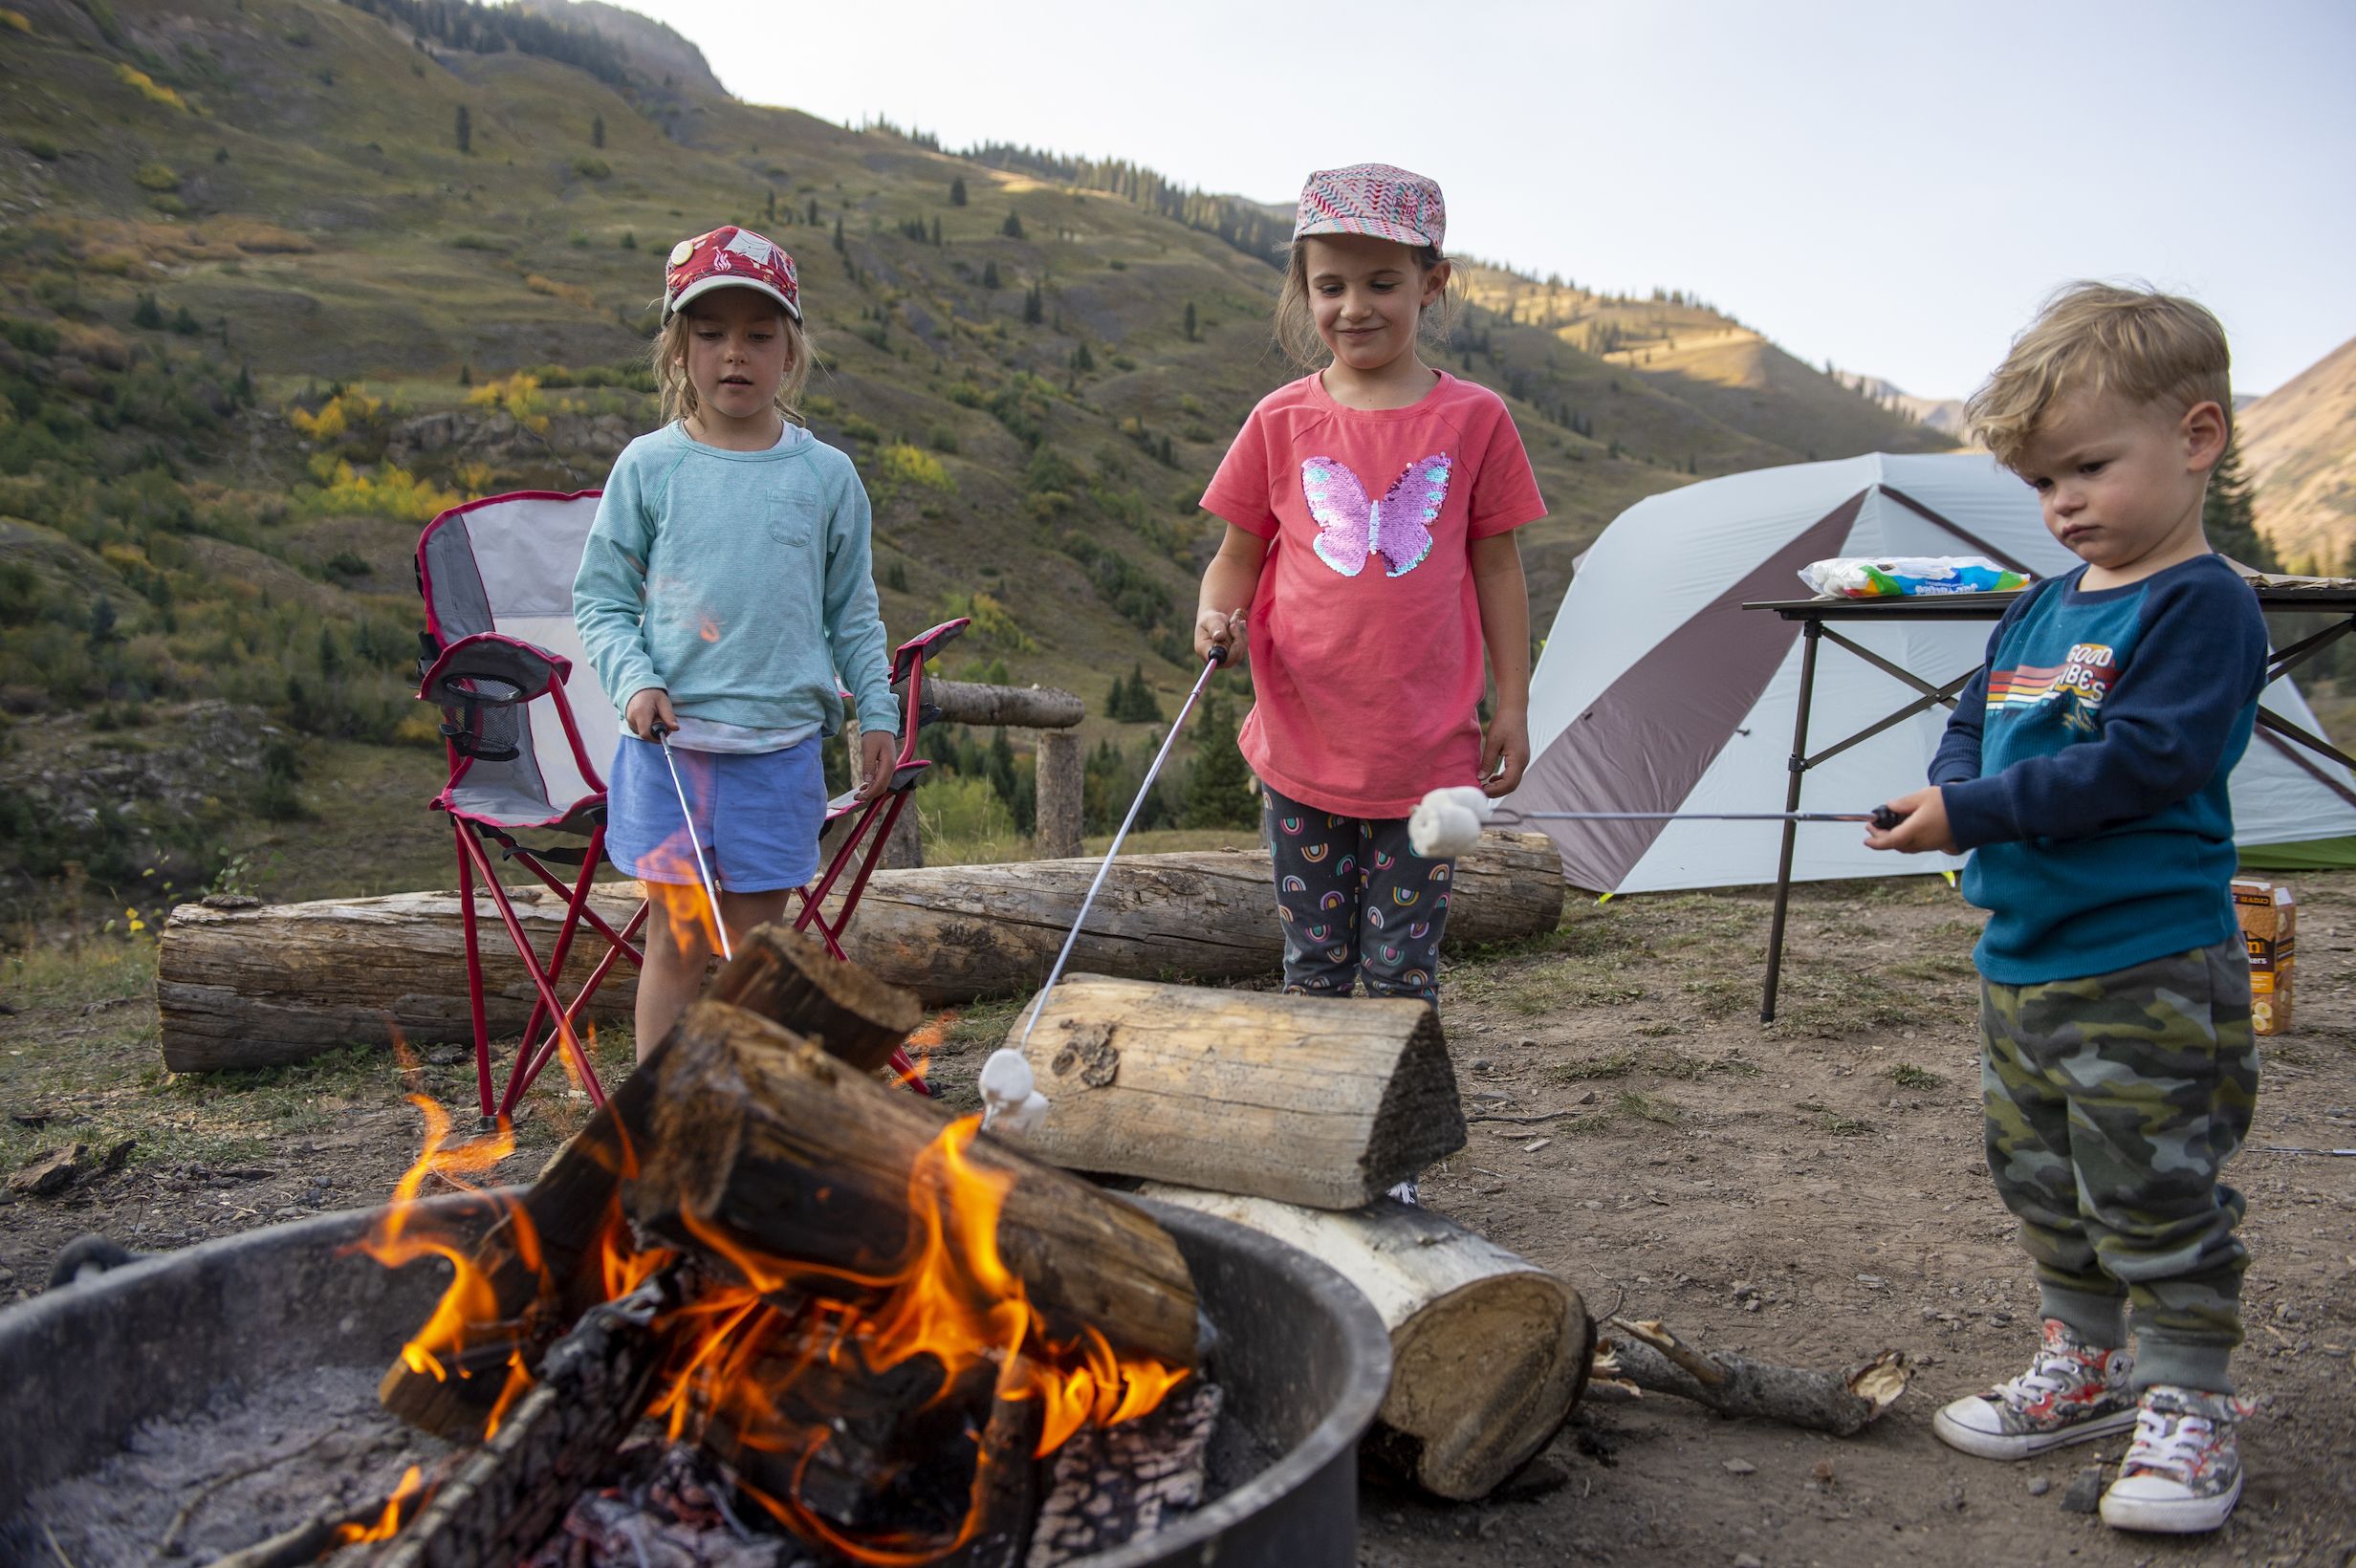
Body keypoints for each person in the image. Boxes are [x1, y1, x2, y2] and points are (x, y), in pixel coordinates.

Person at [1865, 282, 2265, 1535]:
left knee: (2156, 1192)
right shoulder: (2043, 605)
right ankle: (2087, 1366)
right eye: (2045, 484)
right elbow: (1972, 722)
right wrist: (1944, 796)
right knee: (2044, 1179)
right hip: (2024, 964)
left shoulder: (2202, 606)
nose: (2066, 504)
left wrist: (1978, 814)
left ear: (2195, 439)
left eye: (2089, 467)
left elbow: (2144, 763)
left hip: (2146, 963)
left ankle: (2191, 1405)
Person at [1194, 163, 1544, 1009]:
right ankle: (1315, 1133)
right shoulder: (1281, 418)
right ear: (1304, 292)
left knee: (1401, 973)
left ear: (1432, 284)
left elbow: (1498, 568)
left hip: (1426, 751)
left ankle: (1397, 1137)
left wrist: (1513, 704)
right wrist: (1214, 616)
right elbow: (1238, 555)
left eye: (1382, 282)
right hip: (1301, 739)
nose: (1355, 306)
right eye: (1331, 285)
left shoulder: (1475, 418)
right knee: (1313, 970)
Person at [575, 226, 898, 1056]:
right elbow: (603, 601)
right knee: (676, 948)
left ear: (791, 350)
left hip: (780, 750)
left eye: (759, 335)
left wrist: (877, 715)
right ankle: (656, 1123)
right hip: (667, 755)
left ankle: (746, 1123)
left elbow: (852, 610)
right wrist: (634, 681)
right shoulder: (649, 467)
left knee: (757, 959)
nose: (734, 355)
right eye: (711, 333)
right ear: (678, 349)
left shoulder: (825, 477)